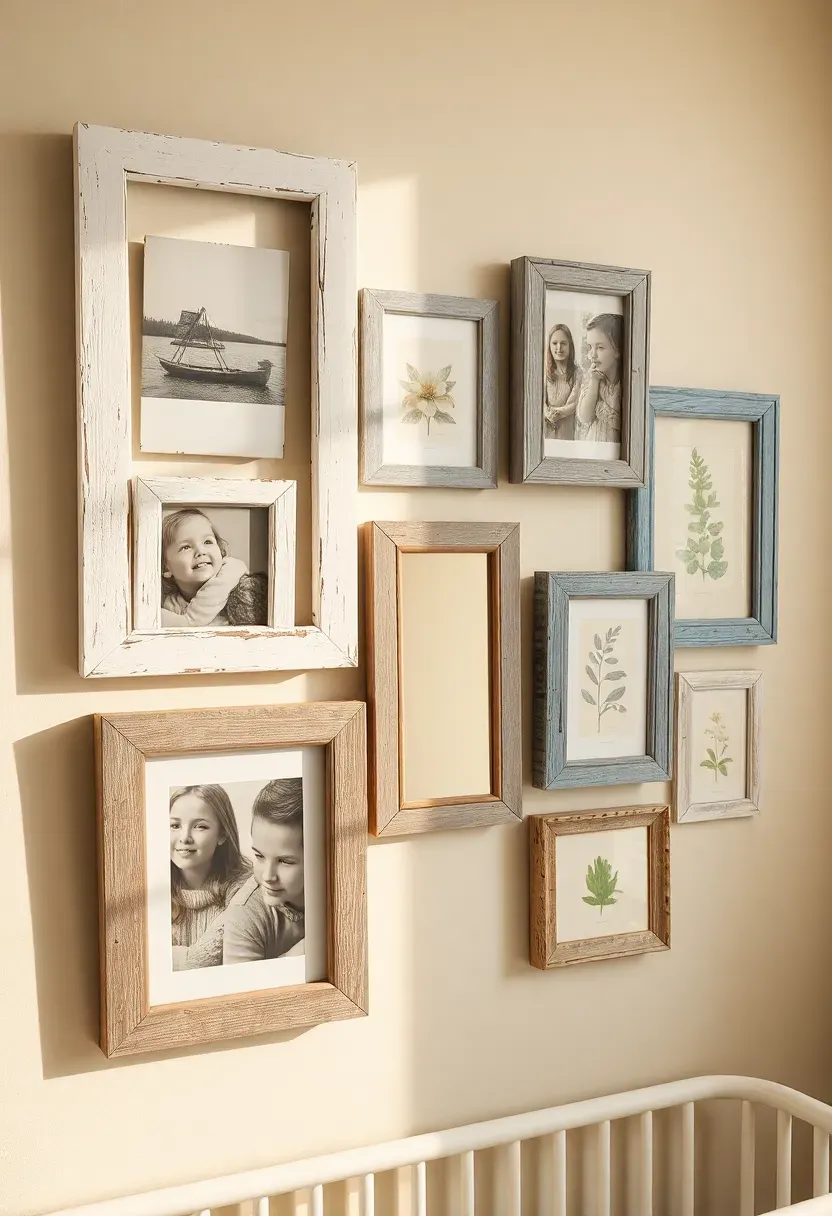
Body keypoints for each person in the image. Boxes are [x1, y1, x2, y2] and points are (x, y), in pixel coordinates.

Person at [169, 784, 253, 970]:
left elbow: (195, 962)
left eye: (200, 826)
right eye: (175, 825)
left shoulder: (245, 889)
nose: (184, 837)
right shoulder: (151, 888)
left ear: (222, 835)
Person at [223, 778, 305, 964]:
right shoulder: (243, 916)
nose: (267, 876)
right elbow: (242, 989)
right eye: (259, 856)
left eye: (284, 861)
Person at [160, 508, 250, 628]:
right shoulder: (170, 605)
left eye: (207, 542)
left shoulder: (231, 569)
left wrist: (189, 621)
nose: (201, 551)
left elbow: (219, 587)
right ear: (166, 568)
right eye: (186, 547)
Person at [574, 313, 623, 444]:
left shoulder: (623, 387)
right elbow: (584, 416)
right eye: (590, 347)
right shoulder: (593, 380)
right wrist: (594, 382)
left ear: (618, 350)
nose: (592, 355)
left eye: (600, 348)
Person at [543, 323, 582, 440]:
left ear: (570, 346)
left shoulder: (577, 373)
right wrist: (546, 412)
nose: (559, 348)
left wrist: (556, 412)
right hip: (546, 431)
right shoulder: (544, 372)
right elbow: (540, 401)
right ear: (549, 346)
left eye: (563, 343)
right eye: (554, 343)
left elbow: (575, 404)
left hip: (566, 433)